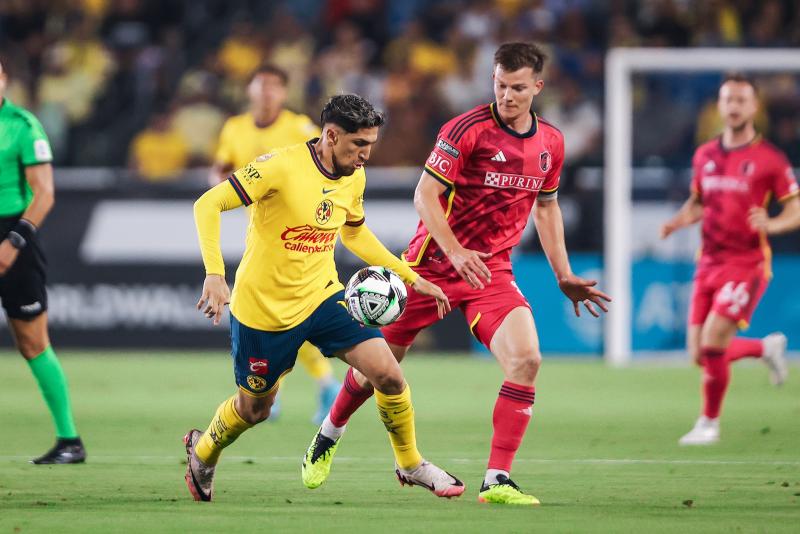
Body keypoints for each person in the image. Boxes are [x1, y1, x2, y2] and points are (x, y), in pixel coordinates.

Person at [301, 42, 610, 505]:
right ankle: (329, 434)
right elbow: (425, 196)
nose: (507, 95)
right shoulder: (465, 130)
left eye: (518, 88)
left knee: (527, 361)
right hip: (430, 267)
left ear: (537, 87)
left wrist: (562, 272)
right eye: (500, 84)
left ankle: (497, 479)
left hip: (492, 273)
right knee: (379, 370)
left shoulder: (551, 143)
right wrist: (457, 250)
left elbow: (546, 209)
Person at [185, 94, 465, 502]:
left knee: (387, 373)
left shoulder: (354, 174)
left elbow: (353, 231)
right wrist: (214, 273)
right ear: (331, 135)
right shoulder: (278, 167)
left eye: (370, 144)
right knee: (254, 411)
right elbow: (207, 203)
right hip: (264, 310)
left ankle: (410, 463)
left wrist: (408, 275)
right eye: (358, 145)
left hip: (322, 296)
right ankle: (203, 451)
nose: (366, 154)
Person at [661, 73, 800, 446]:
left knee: (713, 340)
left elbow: (796, 209)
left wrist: (772, 223)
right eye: (728, 100)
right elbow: (698, 202)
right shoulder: (704, 154)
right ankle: (764, 348)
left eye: (741, 100)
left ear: (754, 107)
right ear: (719, 106)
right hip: (708, 262)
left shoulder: (770, 159)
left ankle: (709, 423)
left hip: (747, 263)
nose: (734, 107)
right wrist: (679, 219)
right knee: (698, 353)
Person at [211, 63, 339, 424]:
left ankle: (294, 387)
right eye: (261, 85)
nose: (266, 92)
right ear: (250, 89)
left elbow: (329, 164)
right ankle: (282, 387)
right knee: (277, 314)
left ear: (283, 93)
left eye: (274, 86)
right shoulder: (234, 128)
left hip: (301, 234)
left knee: (295, 311)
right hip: (261, 230)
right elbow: (220, 171)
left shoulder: (299, 127)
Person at [0, 59, 86, 464]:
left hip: (14, 237)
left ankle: (69, 440)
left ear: (5, 80)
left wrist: (14, 241)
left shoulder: (22, 125)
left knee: (32, 342)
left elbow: (44, 192)